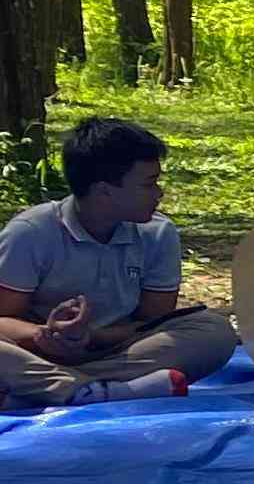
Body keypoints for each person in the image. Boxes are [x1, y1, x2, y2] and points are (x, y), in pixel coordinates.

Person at [0, 116, 235, 408]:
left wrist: (92, 337)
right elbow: (3, 318)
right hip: (36, 352)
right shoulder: (31, 231)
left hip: (119, 351)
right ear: (104, 192)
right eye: (149, 184)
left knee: (215, 332)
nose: (159, 193)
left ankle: (53, 389)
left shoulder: (157, 233)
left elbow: (152, 321)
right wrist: (45, 335)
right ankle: (103, 391)